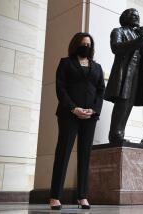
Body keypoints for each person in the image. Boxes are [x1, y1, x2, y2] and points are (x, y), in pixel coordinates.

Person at [49, 32, 105, 210]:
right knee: (63, 153)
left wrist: (93, 110)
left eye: (89, 44)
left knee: (85, 155)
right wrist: (73, 108)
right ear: (75, 45)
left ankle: (82, 196)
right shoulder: (65, 63)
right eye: (83, 44)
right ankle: (55, 196)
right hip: (69, 114)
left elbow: (100, 91)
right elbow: (61, 88)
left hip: (89, 117)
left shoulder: (97, 67)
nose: (86, 47)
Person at [104, 8, 143, 144]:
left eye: (137, 15)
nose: (136, 17)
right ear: (125, 17)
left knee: (129, 104)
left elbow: (141, 55)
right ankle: (115, 134)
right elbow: (115, 47)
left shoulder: (137, 34)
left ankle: (120, 132)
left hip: (136, 74)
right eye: (133, 15)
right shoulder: (118, 31)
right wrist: (137, 42)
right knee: (122, 103)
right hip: (124, 73)